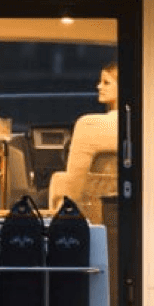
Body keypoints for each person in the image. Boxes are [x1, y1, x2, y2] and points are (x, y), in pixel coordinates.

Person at [49, 62, 118, 217]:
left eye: (106, 82)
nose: (99, 87)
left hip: (89, 213)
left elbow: (74, 185)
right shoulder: (144, 126)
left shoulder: (88, 125)